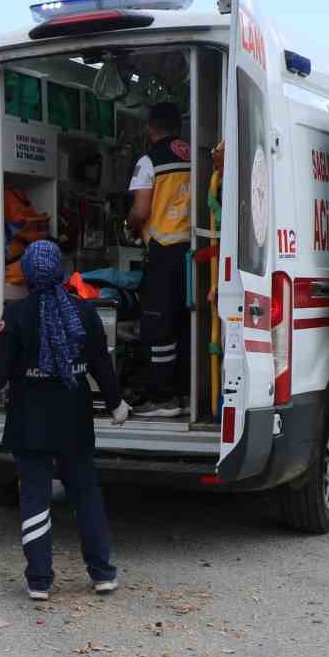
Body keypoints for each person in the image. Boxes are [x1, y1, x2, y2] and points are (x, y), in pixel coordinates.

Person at [0, 240, 129, 601]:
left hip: (30, 420)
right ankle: (102, 574)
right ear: (60, 272)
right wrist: (116, 404)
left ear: (26, 275)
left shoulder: (16, 314)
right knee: (86, 495)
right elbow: (102, 367)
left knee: (35, 497)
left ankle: (39, 580)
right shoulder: (84, 313)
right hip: (75, 419)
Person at [127, 101, 193, 419]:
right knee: (185, 323)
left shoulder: (149, 160)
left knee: (158, 325)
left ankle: (163, 398)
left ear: (151, 128)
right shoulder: (196, 155)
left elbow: (140, 211)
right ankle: (185, 393)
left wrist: (129, 225)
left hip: (164, 250)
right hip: (194, 252)